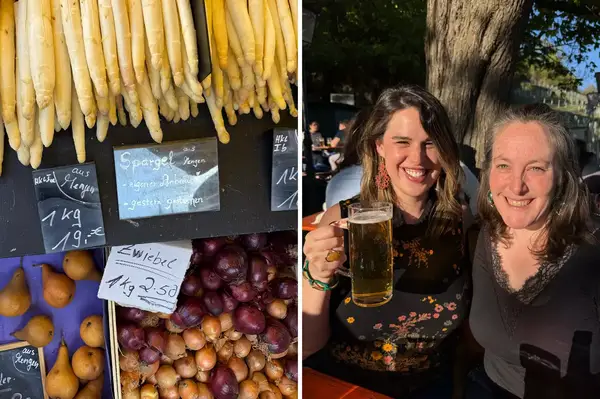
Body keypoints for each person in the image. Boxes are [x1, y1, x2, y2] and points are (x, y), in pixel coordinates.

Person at [303, 84, 471, 398]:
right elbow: (307, 345)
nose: (418, 158)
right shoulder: (343, 220)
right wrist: (316, 277)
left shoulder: (460, 220)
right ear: (380, 146)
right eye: (402, 142)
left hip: (431, 389)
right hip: (347, 388)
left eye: (431, 143)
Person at [466, 104, 600, 398]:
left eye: (536, 168)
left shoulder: (593, 249)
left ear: (563, 177)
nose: (516, 185)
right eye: (503, 165)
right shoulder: (485, 233)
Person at [325, 112, 370, 208]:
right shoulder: (351, 181)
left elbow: (332, 144)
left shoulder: (338, 182)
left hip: (341, 156)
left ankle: (333, 170)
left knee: (331, 158)